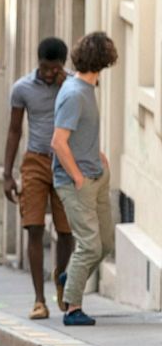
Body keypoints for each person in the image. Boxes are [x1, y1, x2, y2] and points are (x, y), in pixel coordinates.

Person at [3, 38, 75, 319]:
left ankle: (61, 277)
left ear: (62, 65)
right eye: (44, 68)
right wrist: (8, 174)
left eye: (53, 68)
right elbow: (13, 131)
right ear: (38, 62)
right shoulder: (22, 88)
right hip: (34, 160)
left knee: (66, 230)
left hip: (65, 162)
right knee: (33, 226)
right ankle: (39, 299)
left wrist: (64, 85)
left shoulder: (72, 86)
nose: (47, 73)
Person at [51, 32, 118, 326]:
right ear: (102, 60)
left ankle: (70, 278)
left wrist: (98, 154)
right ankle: (72, 308)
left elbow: (80, 134)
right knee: (89, 246)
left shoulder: (87, 88)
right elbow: (58, 141)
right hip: (75, 182)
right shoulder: (75, 93)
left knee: (103, 244)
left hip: (96, 175)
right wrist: (77, 177)